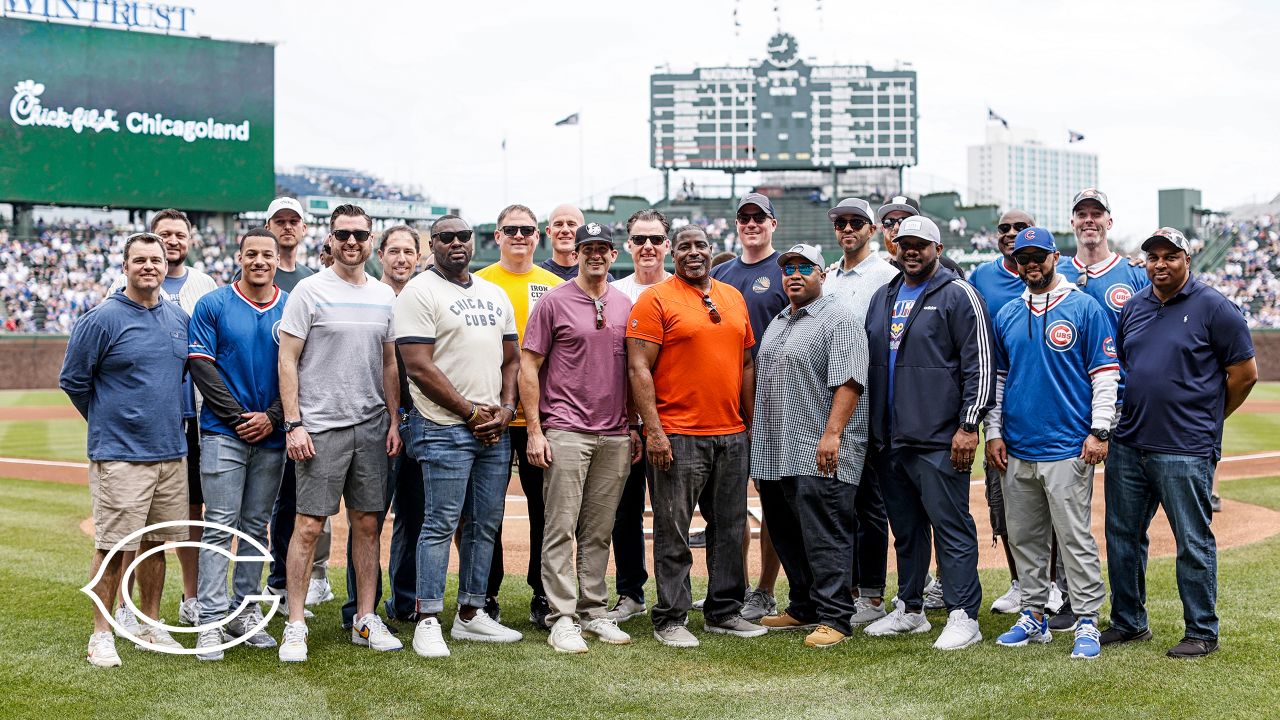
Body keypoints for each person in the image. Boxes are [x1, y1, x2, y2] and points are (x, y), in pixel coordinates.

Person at [1102, 227, 1257, 659]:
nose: (1160, 264)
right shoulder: (1134, 307)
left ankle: (1202, 631)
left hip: (1185, 447)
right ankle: (1129, 621)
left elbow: (1244, 375)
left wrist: (1209, 416)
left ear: (1187, 260)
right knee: (1123, 536)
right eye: (1153, 257)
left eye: (1170, 256)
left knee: (1192, 540)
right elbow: (1130, 367)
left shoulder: (1214, 307)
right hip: (1130, 442)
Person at [627, 224, 766, 647]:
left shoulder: (732, 297)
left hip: (730, 433)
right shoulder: (656, 299)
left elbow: (745, 365)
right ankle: (670, 617)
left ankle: (723, 611)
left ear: (711, 250)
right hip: (678, 433)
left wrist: (749, 421)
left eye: (699, 245)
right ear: (673, 254)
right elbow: (638, 368)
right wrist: (654, 430)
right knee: (673, 530)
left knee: (729, 528)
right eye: (684, 246)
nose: (692, 252)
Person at [275, 204, 403, 662]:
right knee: (309, 526)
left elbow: (389, 363)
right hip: (320, 427)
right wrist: (294, 423)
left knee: (368, 524)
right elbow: (287, 361)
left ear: (371, 240)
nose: (352, 242)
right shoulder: (308, 291)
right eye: (343, 234)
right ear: (329, 239)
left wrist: (393, 420)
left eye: (360, 235)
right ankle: (294, 624)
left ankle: (364, 620)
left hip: (371, 426)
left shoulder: (385, 296)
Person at [983, 226, 1117, 660]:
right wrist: (995, 432)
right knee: (1024, 538)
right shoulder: (1006, 313)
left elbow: (1105, 374)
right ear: (1016, 263)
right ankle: (1034, 614)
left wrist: (1099, 431)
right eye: (1024, 258)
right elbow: (998, 382)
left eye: (1039, 256)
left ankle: (1086, 621)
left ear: (1054, 257)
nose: (1032, 264)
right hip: (1018, 448)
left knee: (1074, 539)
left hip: (1068, 447)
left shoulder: (1084, 308)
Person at [862, 216, 994, 650]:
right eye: (904, 244)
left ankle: (962, 613)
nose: (911, 251)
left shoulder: (958, 294)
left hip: (939, 437)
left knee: (951, 526)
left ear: (938, 248)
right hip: (891, 437)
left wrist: (968, 425)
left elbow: (980, 364)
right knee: (907, 529)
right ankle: (911, 609)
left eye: (921, 244)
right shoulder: (884, 295)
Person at [396, 214, 524, 658]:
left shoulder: (494, 293)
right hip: (443, 425)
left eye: (463, 236)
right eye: (446, 237)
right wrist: (470, 411)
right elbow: (418, 365)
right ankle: (426, 617)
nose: (456, 243)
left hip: (491, 428)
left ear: (474, 241)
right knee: (439, 523)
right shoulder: (420, 290)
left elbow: (512, 360)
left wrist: (507, 409)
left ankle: (471, 613)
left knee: (484, 524)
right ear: (433, 244)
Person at [61, 232, 190, 667]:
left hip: (170, 453)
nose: (149, 266)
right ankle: (102, 634)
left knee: (156, 546)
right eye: (140, 260)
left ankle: (149, 624)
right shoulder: (102, 318)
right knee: (114, 545)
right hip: (120, 454)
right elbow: (74, 380)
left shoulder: (177, 318)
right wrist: (108, 421)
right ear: (125, 266)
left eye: (155, 259)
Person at [521, 223, 638, 653]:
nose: (595, 255)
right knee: (560, 527)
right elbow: (528, 366)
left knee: (598, 529)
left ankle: (592, 610)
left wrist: (633, 425)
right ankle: (561, 617)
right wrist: (535, 430)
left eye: (602, 248)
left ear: (612, 254)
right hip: (567, 428)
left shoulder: (625, 303)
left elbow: (633, 371)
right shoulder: (554, 301)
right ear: (576, 251)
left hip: (614, 432)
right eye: (587, 247)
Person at [754, 244, 869, 648]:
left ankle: (836, 617)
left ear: (823, 274)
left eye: (805, 268)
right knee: (787, 533)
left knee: (824, 533)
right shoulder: (780, 319)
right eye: (788, 269)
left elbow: (850, 380)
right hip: (777, 448)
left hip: (819, 445)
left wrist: (833, 433)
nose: (795, 274)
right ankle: (804, 605)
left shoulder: (839, 318)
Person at [106, 209, 216, 629]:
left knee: (192, 514)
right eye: (163, 235)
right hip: (144, 424)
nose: (171, 242)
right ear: (150, 240)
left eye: (179, 234)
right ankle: (125, 605)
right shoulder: (122, 287)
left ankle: (192, 599)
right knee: (135, 519)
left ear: (189, 240)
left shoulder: (204, 284)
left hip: (193, 418)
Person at [187, 227, 289, 660]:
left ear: (276, 257)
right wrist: (240, 418)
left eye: (267, 254)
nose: (260, 261)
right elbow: (201, 365)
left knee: (255, 524)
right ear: (240, 256)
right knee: (220, 525)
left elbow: (306, 369)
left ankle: (244, 611)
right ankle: (210, 620)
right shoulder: (213, 303)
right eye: (253, 254)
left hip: (274, 432)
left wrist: (272, 418)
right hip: (222, 432)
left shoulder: (292, 305)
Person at [1051, 188, 1149, 626]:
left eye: (1097, 214)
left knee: (1124, 518)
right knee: (1068, 512)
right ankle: (1069, 599)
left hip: (1126, 408)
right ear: (1072, 223)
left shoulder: (1132, 273)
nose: (1089, 220)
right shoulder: (1056, 272)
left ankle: (1127, 612)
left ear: (1110, 221)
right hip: (1071, 408)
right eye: (1081, 214)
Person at [476, 204, 564, 627]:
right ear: (496, 235)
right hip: (491, 413)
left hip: (541, 415)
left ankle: (542, 593)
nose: (519, 236)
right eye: (510, 229)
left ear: (538, 236)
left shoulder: (552, 285)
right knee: (487, 510)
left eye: (527, 229)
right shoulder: (478, 283)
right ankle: (485, 593)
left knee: (544, 510)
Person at [821, 197, 900, 628]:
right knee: (839, 502)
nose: (847, 229)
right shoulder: (829, 276)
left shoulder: (887, 275)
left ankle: (871, 595)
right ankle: (844, 590)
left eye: (856, 223)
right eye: (841, 223)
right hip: (833, 402)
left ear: (872, 229)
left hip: (873, 401)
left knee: (872, 503)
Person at [709, 192, 788, 621]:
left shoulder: (785, 270)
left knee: (773, 501)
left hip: (776, 402)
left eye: (760, 217)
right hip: (724, 403)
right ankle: (733, 587)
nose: (752, 223)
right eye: (744, 217)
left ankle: (766, 590)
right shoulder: (720, 273)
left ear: (773, 224)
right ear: (736, 225)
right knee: (727, 506)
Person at [340, 225, 423, 629]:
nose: (401, 258)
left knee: (415, 515)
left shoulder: (428, 297)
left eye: (409, 251)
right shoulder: (369, 295)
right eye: (394, 250)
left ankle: (404, 601)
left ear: (419, 257)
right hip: (377, 422)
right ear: (381, 254)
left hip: (422, 422)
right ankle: (358, 607)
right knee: (368, 516)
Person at [263, 196, 334, 613]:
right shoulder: (253, 273)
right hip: (264, 408)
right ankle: (254, 590)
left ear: (304, 229)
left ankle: (283, 585)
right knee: (259, 505)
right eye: (280, 221)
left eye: (294, 222)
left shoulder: (310, 280)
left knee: (293, 501)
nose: (287, 227)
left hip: (303, 409)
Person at [967, 209, 1037, 615]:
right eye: (1004, 229)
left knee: (1051, 504)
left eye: (1020, 228)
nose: (1011, 234)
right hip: (997, 403)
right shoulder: (982, 277)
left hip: (1045, 403)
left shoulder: (1054, 272)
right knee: (1003, 503)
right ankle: (1019, 582)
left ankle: (1054, 585)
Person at [606, 209, 672, 624]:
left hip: (673, 420)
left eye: (656, 239)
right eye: (640, 239)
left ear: (667, 244)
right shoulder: (613, 293)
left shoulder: (683, 289)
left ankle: (672, 595)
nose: (648, 246)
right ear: (627, 246)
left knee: (671, 512)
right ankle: (631, 593)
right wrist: (629, 422)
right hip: (621, 422)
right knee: (624, 511)